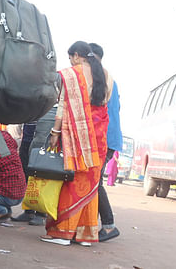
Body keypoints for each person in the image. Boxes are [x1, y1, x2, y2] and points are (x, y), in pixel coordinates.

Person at [41, 41, 109, 247]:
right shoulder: (107, 75)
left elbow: (62, 106)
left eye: (71, 57)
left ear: (77, 56)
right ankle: (85, 235)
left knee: (72, 181)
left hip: (78, 137)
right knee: (91, 185)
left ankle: (63, 232)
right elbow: (105, 105)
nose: (70, 61)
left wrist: (55, 132)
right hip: (99, 138)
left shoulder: (71, 75)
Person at [89, 42, 122, 242]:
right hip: (108, 137)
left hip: (104, 137)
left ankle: (109, 225)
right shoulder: (108, 78)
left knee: (94, 181)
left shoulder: (100, 77)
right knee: (92, 180)